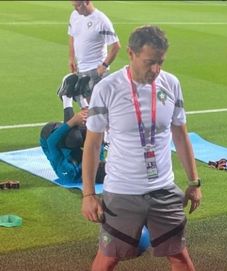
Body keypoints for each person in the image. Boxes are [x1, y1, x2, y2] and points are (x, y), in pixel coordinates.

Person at [81, 25, 202, 271]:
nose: (156, 70)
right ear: (131, 53)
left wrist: (194, 183)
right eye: (149, 62)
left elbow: (180, 135)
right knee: (108, 257)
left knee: (179, 256)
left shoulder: (171, 84)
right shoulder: (107, 89)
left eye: (160, 62)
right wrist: (88, 194)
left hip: (163, 189)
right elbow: (92, 144)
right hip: (122, 191)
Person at [41, 75, 106, 184]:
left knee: (74, 138)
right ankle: (80, 98)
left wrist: (72, 122)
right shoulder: (98, 161)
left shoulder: (70, 172)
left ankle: (66, 97)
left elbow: (51, 142)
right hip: (70, 139)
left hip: (50, 134)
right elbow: (99, 140)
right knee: (96, 135)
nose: (98, 159)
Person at [68, 0, 121, 100]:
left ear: (87, 2)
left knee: (96, 109)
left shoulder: (101, 20)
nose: (75, 9)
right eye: (73, 6)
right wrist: (71, 58)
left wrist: (104, 66)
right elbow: (72, 36)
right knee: (85, 109)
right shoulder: (74, 15)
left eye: (78, 5)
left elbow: (116, 46)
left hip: (95, 71)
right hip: (80, 69)